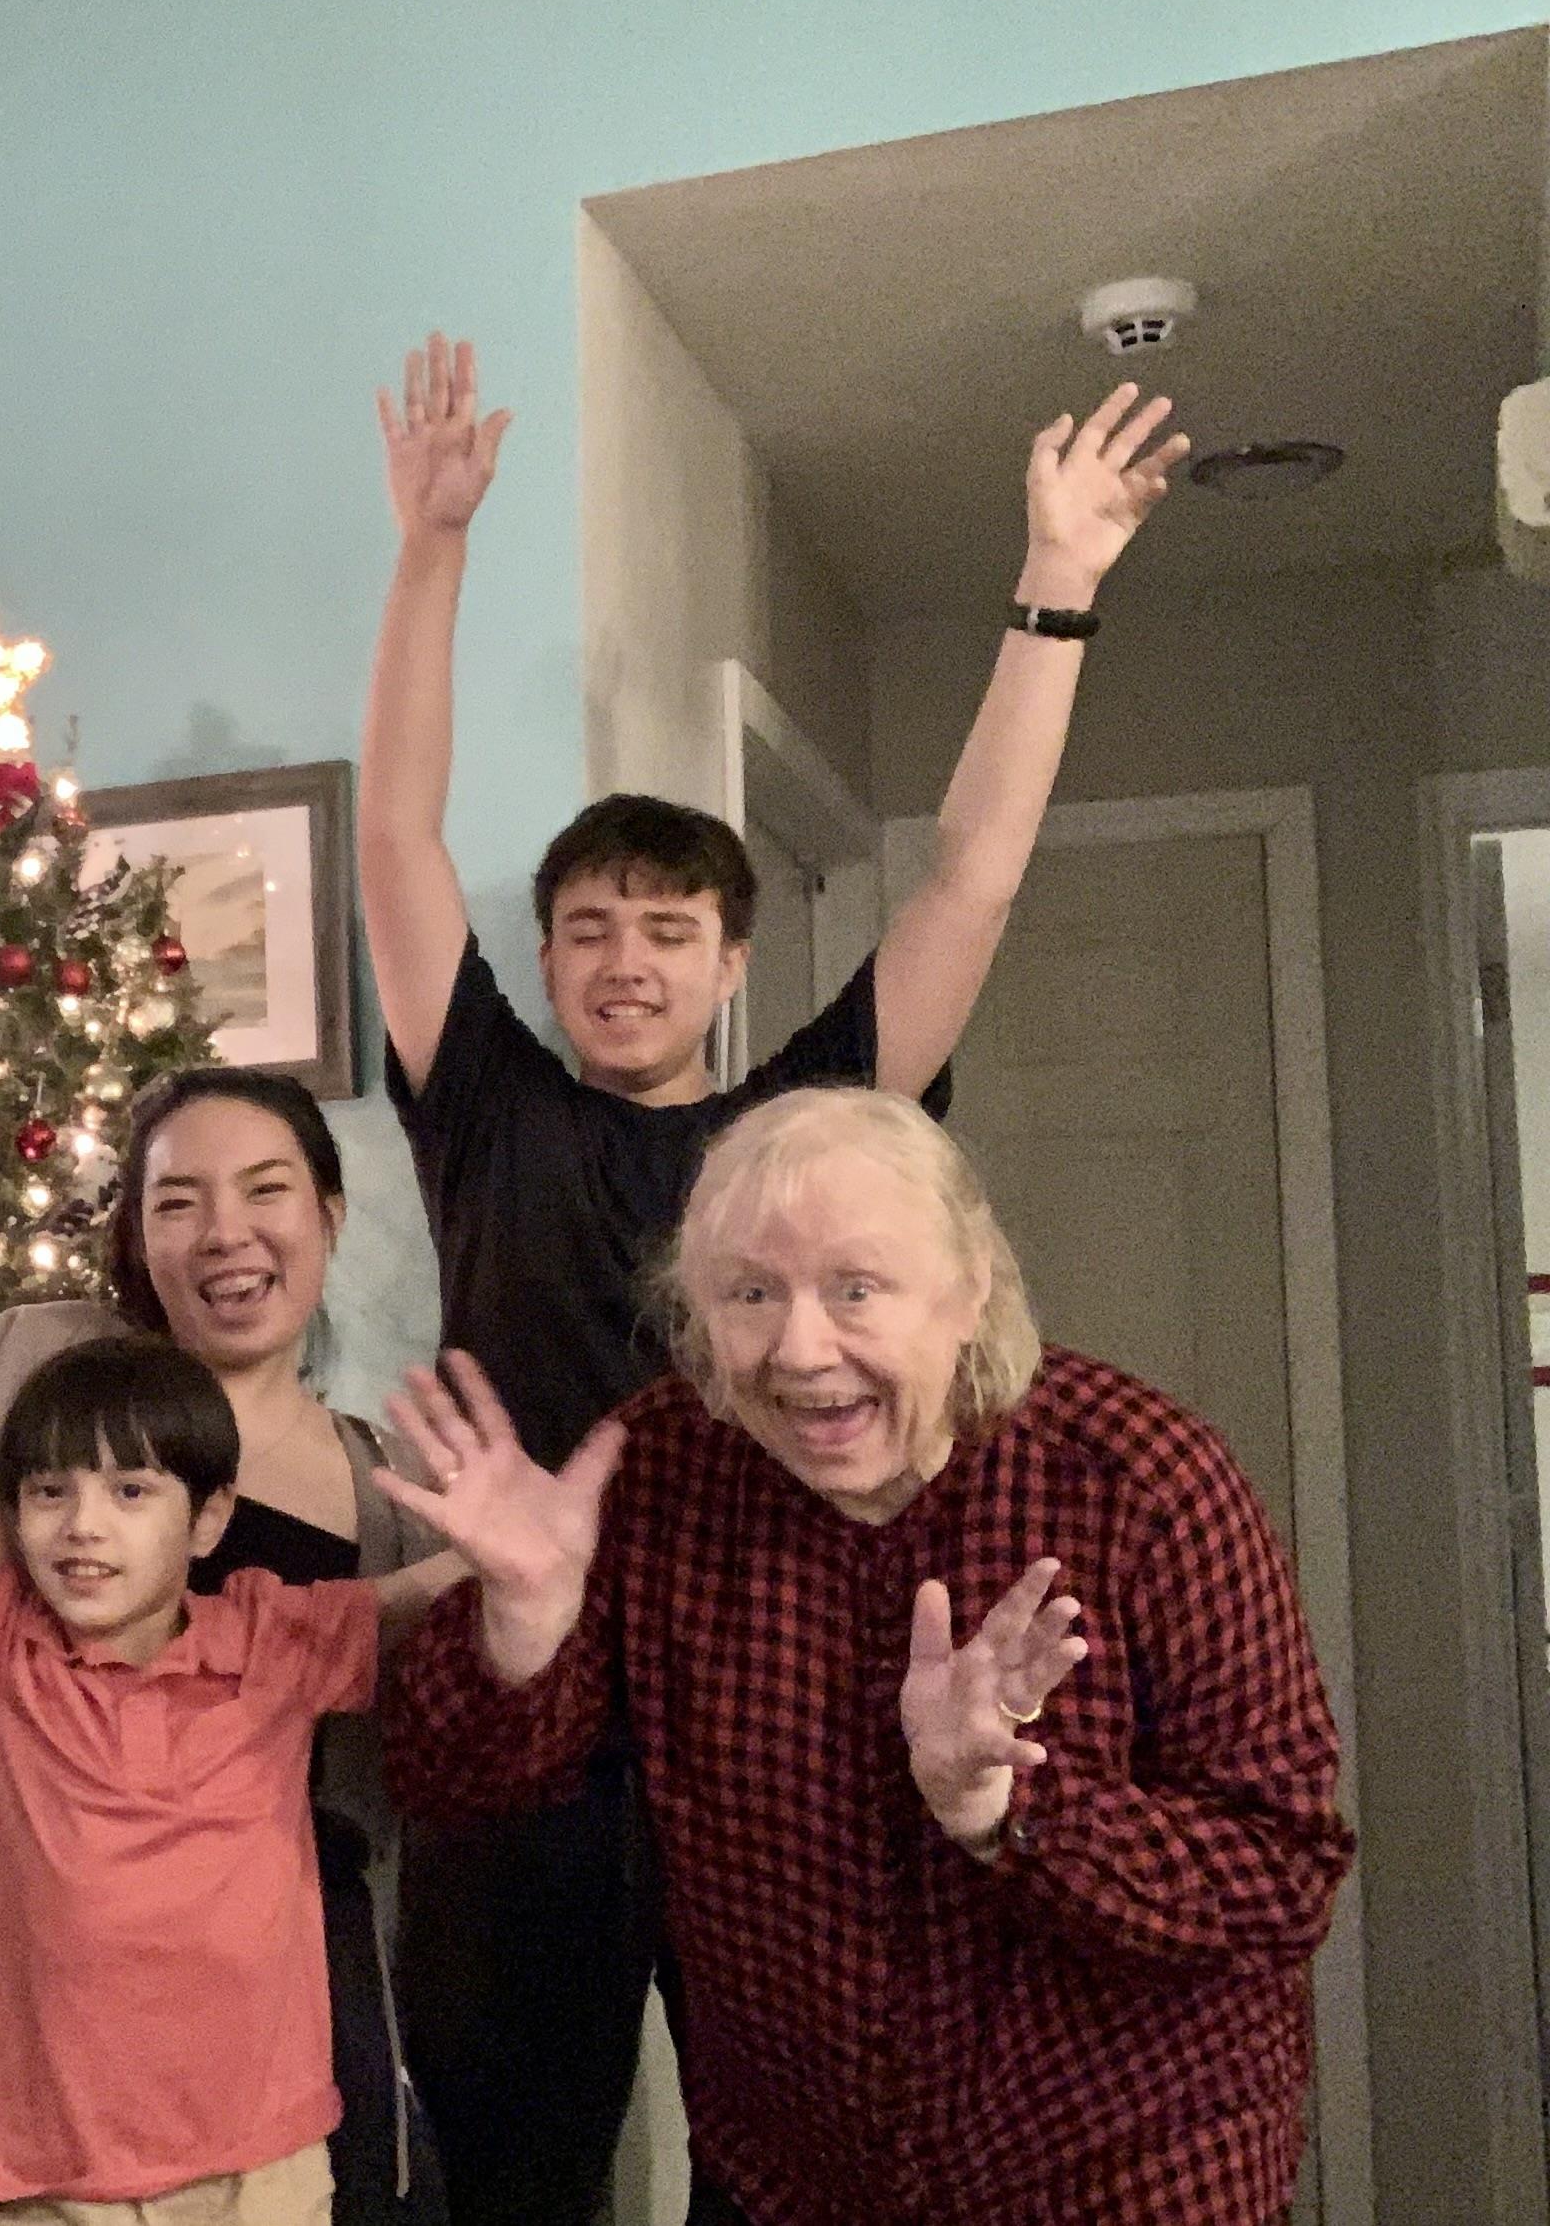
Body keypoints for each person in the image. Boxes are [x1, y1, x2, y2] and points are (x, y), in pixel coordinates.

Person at [356, 332, 1186, 2221]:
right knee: (505, 2181)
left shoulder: (814, 1124)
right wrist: (430, 549)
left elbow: (969, 880)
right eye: (588, 930)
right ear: (545, 961)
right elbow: (393, 833)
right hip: (528, 1697)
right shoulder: (487, 1110)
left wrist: (1053, 588)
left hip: (762, 1700)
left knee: (803, 2164)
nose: (624, 962)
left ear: (730, 963)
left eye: (667, 930)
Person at [376, 1086, 1354, 2226]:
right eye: (751, 1294)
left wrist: (1003, 1810)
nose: (801, 1351)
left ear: (968, 1291)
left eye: (855, 1288)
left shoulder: (1141, 1481)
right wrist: (525, 1620)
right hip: (794, 2179)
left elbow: (1279, 1874)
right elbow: (453, 1781)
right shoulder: (656, 1471)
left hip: (1127, 2166)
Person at [0, 1067, 458, 2224]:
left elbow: (422, 1622)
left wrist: (527, 1548)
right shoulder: (38, 1381)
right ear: (135, 1234)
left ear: (328, 1215)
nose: (225, 1231)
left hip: (259, 2055)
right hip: (29, 2028)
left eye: (265, 1189)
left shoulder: (366, 1507)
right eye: (178, 1200)